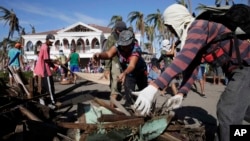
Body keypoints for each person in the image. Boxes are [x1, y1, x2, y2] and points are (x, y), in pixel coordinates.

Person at [132, 4, 250, 141]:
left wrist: (154, 86)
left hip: (246, 68)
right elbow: (192, 67)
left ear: (176, 20)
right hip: (238, 71)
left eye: (170, 26)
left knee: (227, 111)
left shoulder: (198, 27)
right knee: (244, 111)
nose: (171, 30)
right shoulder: (194, 34)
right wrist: (182, 93)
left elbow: (183, 59)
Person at [93, 30, 148, 108]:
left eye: (127, 45)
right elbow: (108, 54)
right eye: (123, 45)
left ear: (131, 42)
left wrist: (124, 73)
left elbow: (132, 65)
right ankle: (130, 108)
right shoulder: (117, 46)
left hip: (140, 72)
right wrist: (99, 55)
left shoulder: (136, 49)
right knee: (129, 94)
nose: (124, 47)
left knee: (144, 92)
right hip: (129, 74)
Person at [103, 21, 127, 108]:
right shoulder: (111, 38)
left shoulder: (124, 36)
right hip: (114, 62)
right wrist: (106, 69)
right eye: (121, 31)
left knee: (118, 86)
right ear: (117, 30)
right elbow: (108, 54)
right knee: (115, 86)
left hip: (122, 64)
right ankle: (112, 108)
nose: (122, 32)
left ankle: (113, 105)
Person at [34, 34, 59, 108]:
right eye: (51, 41)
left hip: (42, 69)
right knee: (50, 86)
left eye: (52, 41)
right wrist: (54, 66)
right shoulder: (45, 47)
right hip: (44, 70)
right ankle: (53, 102)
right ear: (47, 40)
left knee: (45, 87)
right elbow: (46, 60)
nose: (52, 43)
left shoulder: (44, 46)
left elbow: (46, 59)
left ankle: (47, 101)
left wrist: (53, 63)